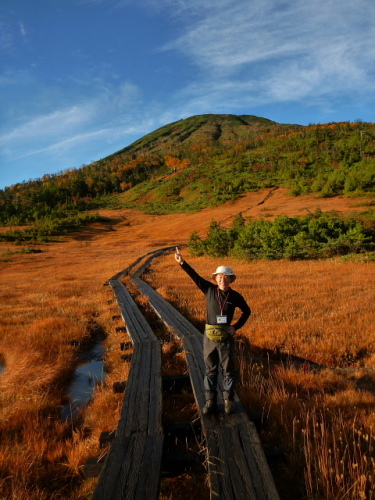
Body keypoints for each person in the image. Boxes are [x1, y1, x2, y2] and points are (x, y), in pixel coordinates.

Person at [174, 247, 251, 415]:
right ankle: (210, 402)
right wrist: (182, 263)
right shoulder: (209, 290)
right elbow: (194, 276)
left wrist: (235, 327)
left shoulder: (236, 296)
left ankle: (228, 402)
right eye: (220, 277)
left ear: (231, 279)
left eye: (226, 277)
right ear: (216, 278)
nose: (223, 279)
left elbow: (247, 312)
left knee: (229, 370)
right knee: (210, 370)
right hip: (209, 339)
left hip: (226, 339)